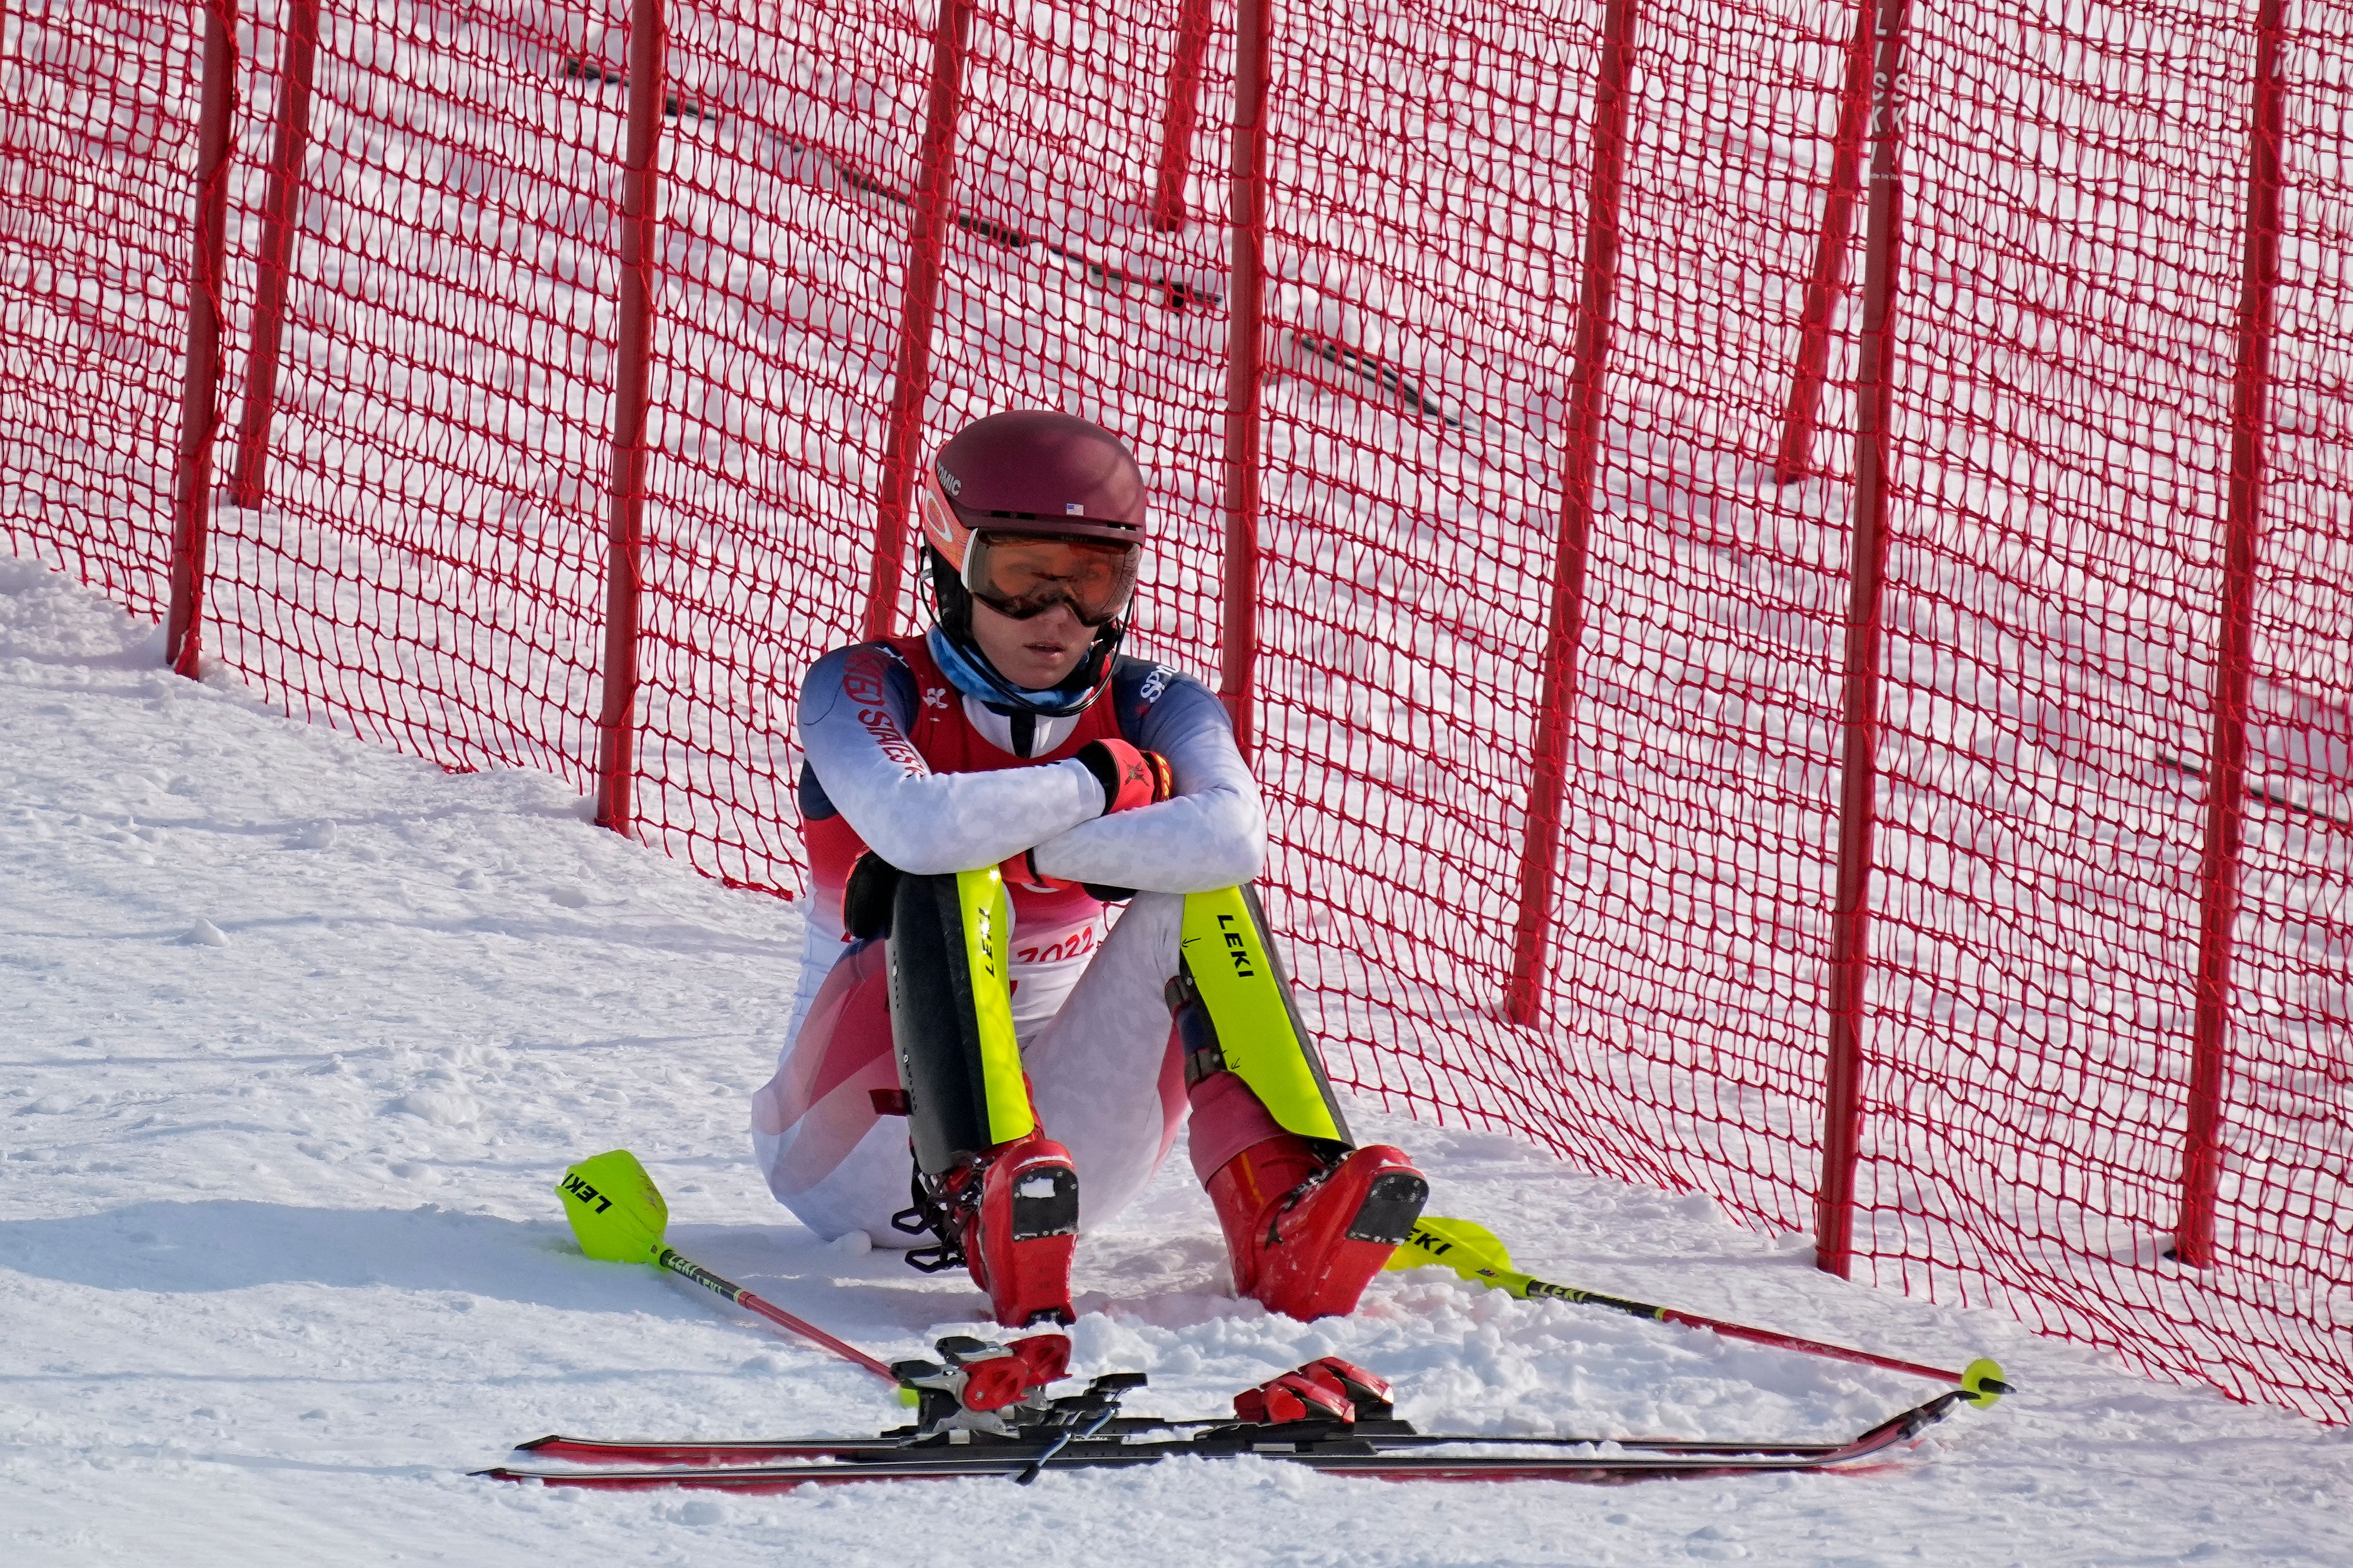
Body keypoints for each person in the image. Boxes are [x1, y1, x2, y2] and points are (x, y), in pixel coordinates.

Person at [752, 410, 1427, 1329]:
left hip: (1061, 1174)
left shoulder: (1156, 701)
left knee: (1201, 894)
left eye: (1091, 583)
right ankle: (977, 1178)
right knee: (941, 873)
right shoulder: (862, 682)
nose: (1057, 618)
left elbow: (1231, 839)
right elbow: (915, 827)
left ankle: (1283, 1206)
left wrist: (1030, 841)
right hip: (849, 1148)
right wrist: (1101, 781)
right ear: (953, 565)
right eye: (1021, 579)